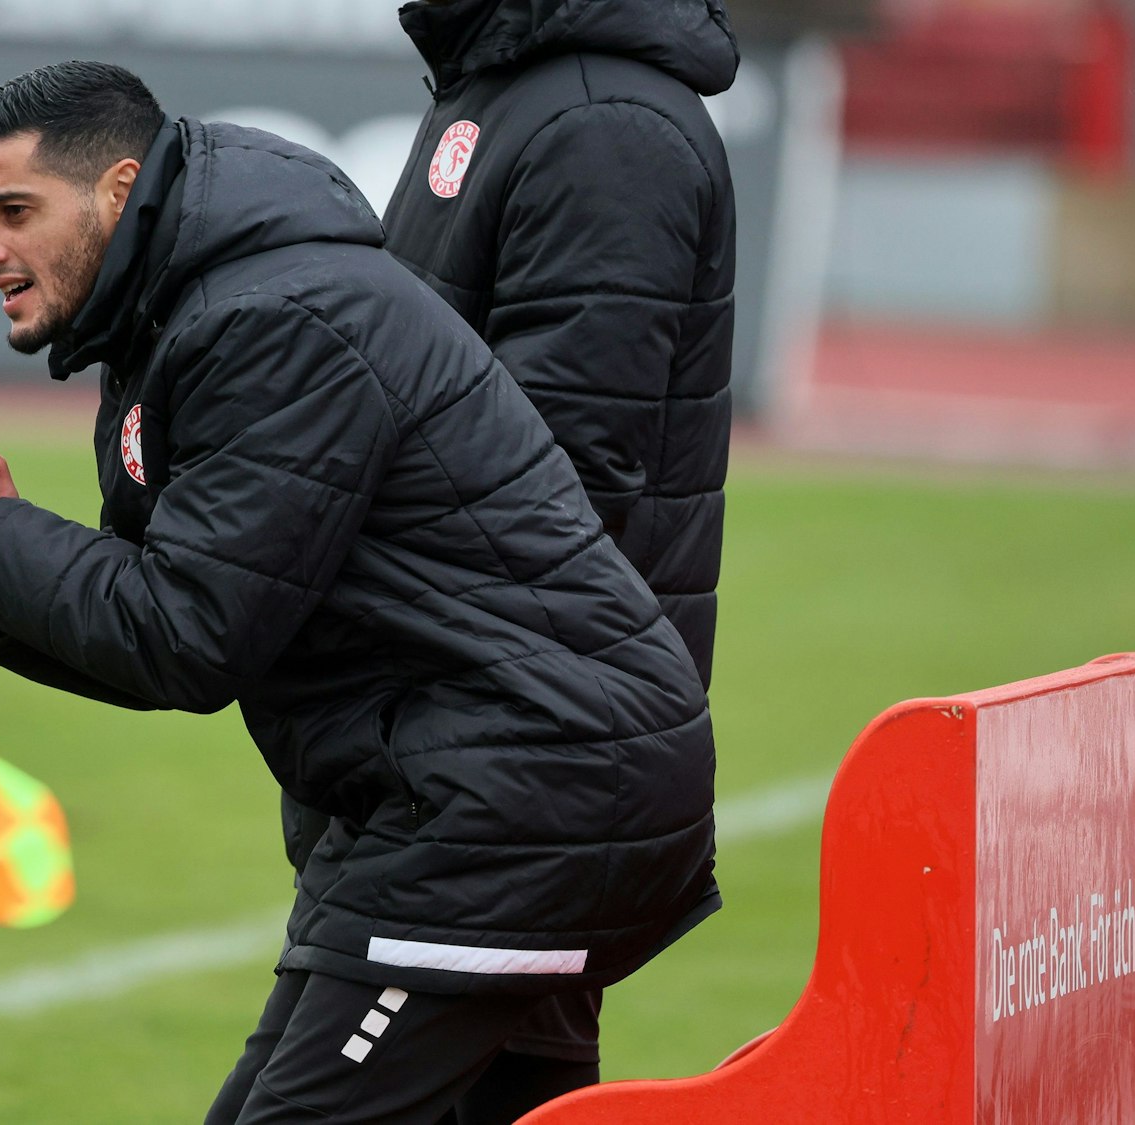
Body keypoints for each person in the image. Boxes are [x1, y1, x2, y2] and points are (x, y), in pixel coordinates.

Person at [0, 61, 719, 1124]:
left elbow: (183, 636)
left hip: (519, 795)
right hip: (483, 788)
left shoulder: (271, 321)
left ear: (116, 190)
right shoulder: (189, 314)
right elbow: (164, 619)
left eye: (13, 211)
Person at [280, 3, 743, 1118]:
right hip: (478, 738)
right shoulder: (510, 91)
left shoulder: (602, 122)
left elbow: (558, 477)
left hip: (507, 759)